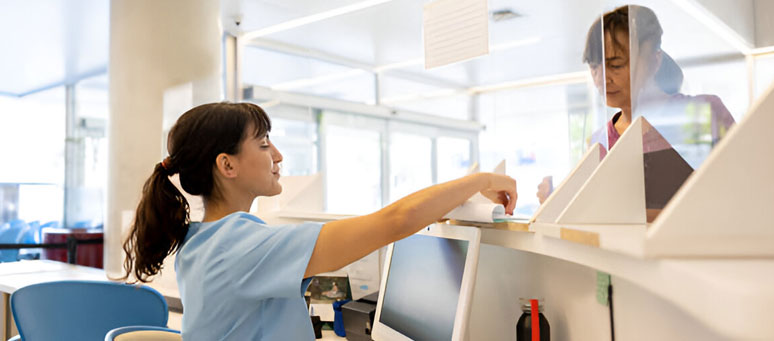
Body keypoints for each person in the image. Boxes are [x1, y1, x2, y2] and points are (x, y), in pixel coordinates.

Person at [119, 102, 517, 340]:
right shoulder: (239, 246)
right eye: (262, 144)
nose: (277, 156)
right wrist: (480, 181)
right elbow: (396, 221)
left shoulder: (205, 239)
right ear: (227, 165)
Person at [537, 5, 735, 221]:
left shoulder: (703, 113)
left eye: (616, 65)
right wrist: (557, 200)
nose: (602, 79)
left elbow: (742, 189)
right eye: (594, 67)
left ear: (654, 60)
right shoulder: (599, 143)